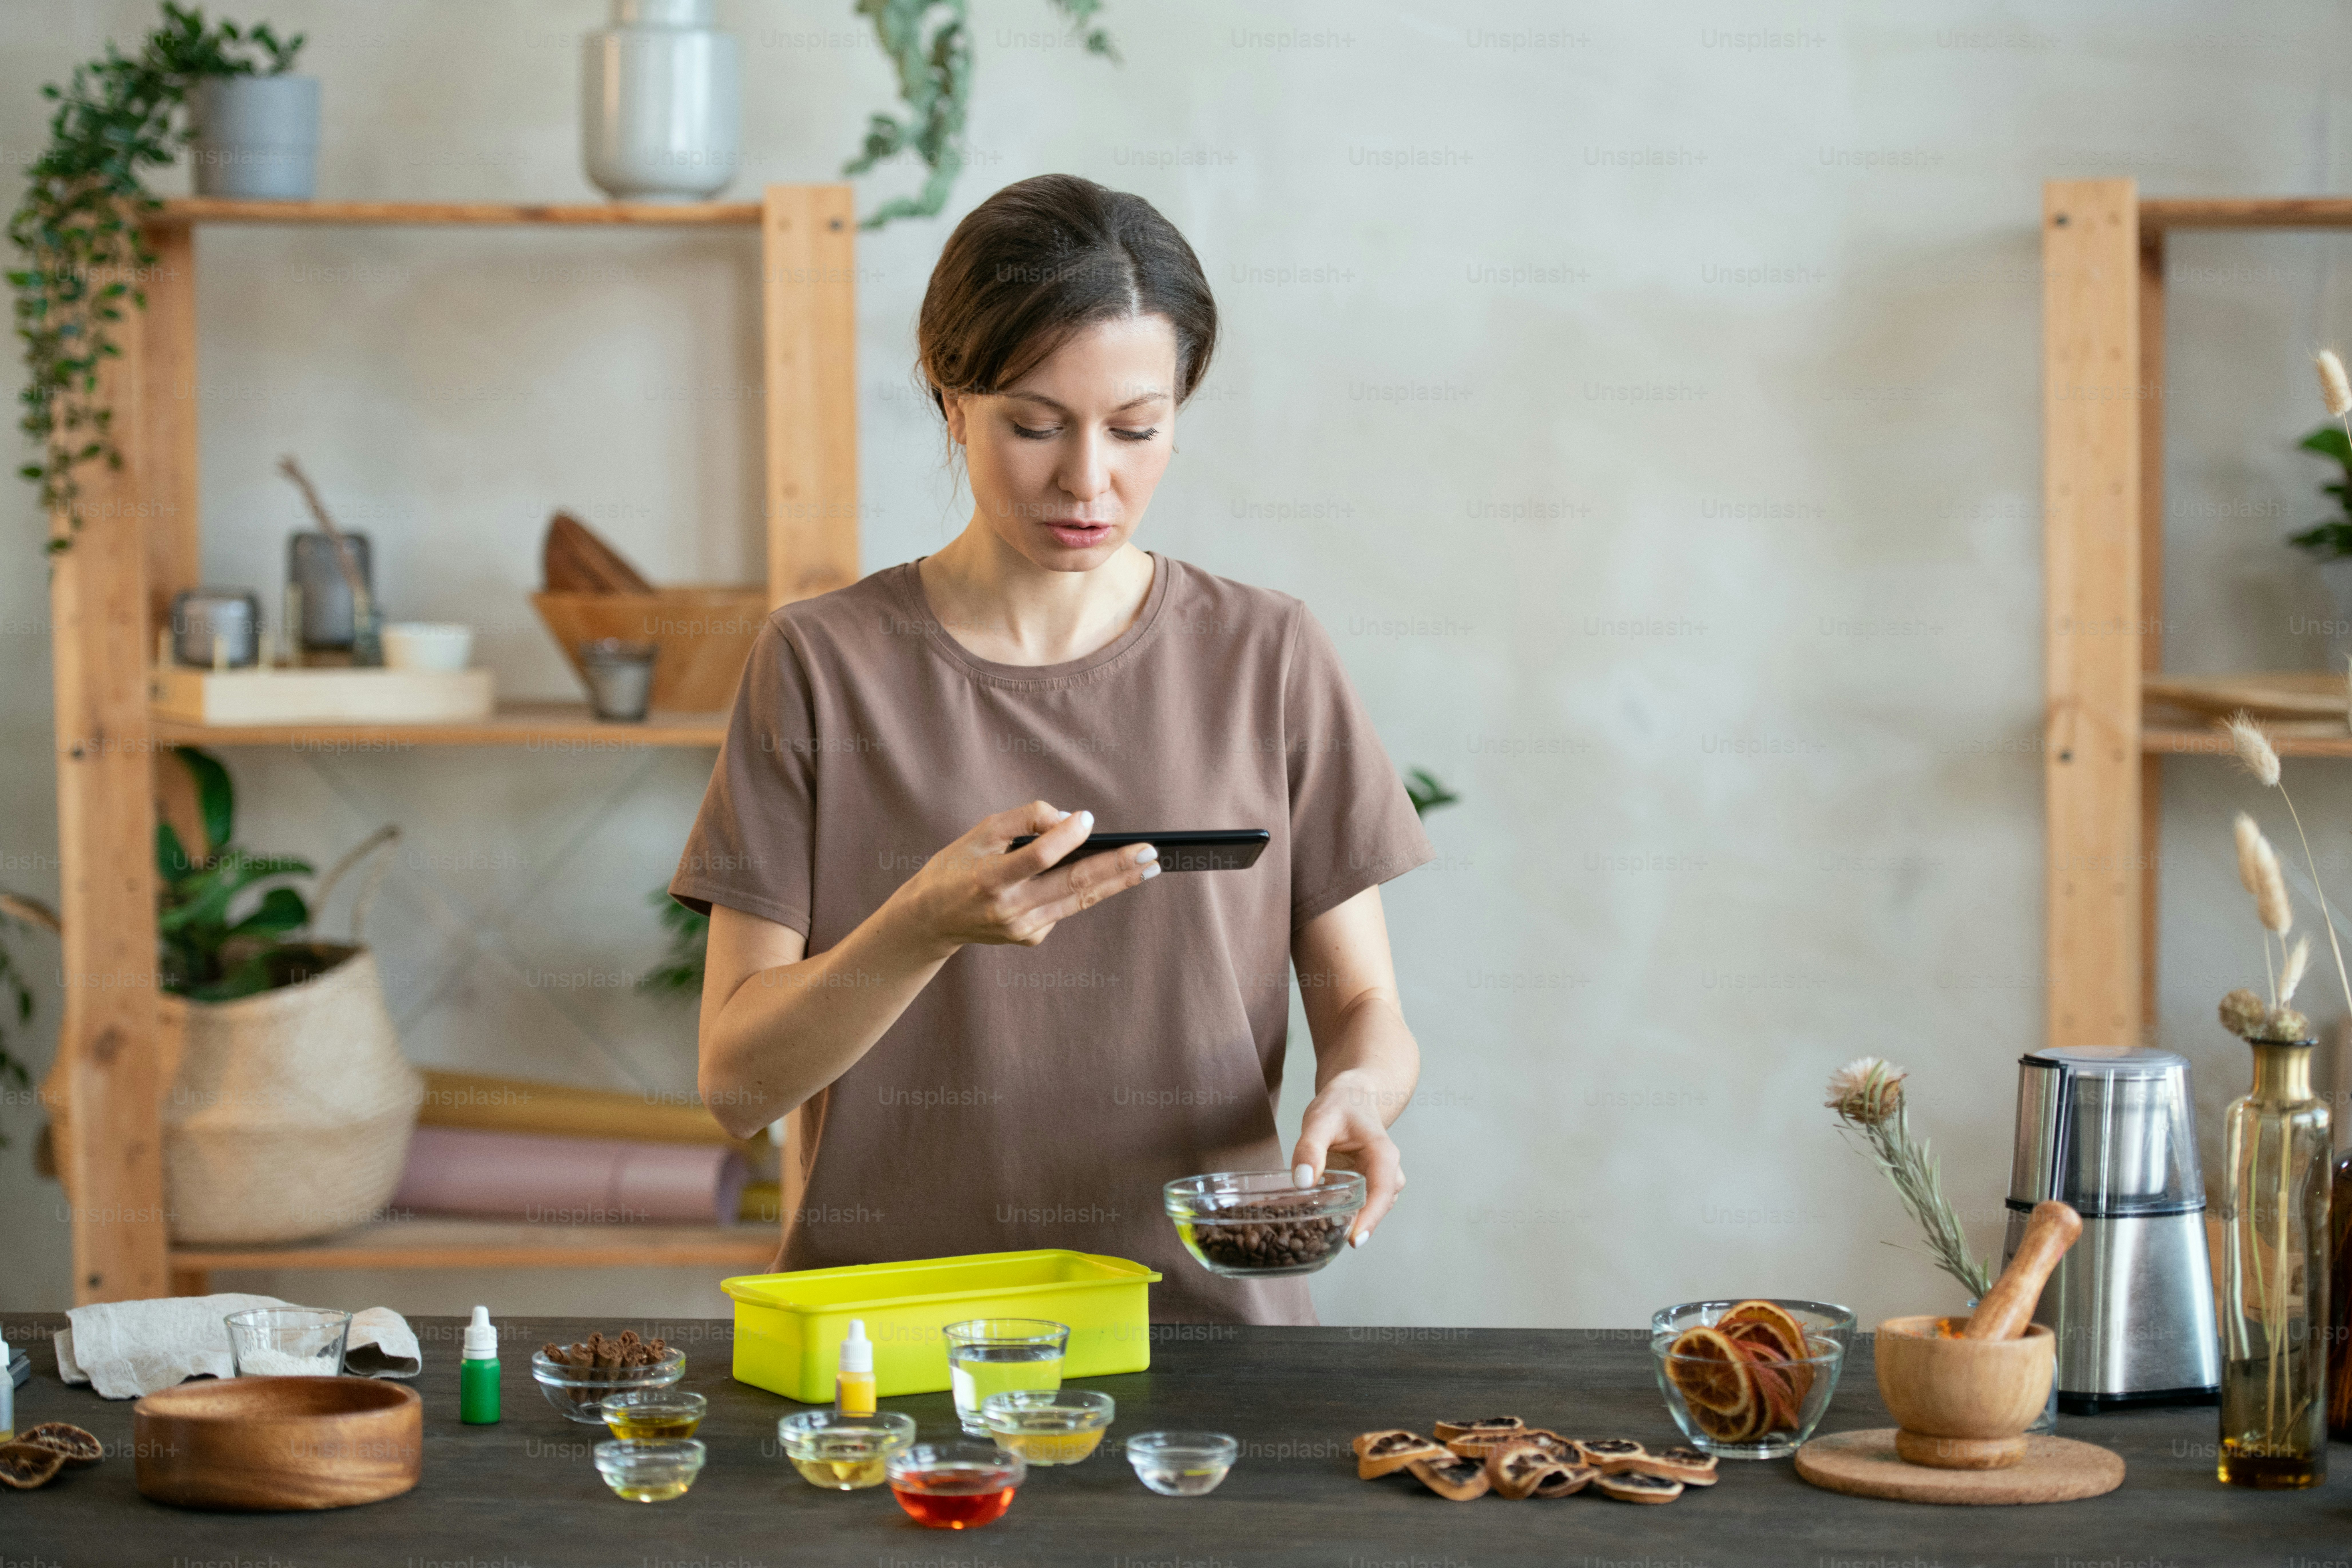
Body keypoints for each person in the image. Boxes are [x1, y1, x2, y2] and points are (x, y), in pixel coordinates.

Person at [672, 174, 1432, 1322]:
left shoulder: (1266, 654)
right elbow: (738, 1083)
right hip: (887, 1350)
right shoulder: (823, 664)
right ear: (949, 400)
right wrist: (920, 926)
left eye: (1136, 429)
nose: (1088, 479)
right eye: (1034, 424)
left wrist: (1361, 1093)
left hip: (1201, 1334)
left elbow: (1361, 997)